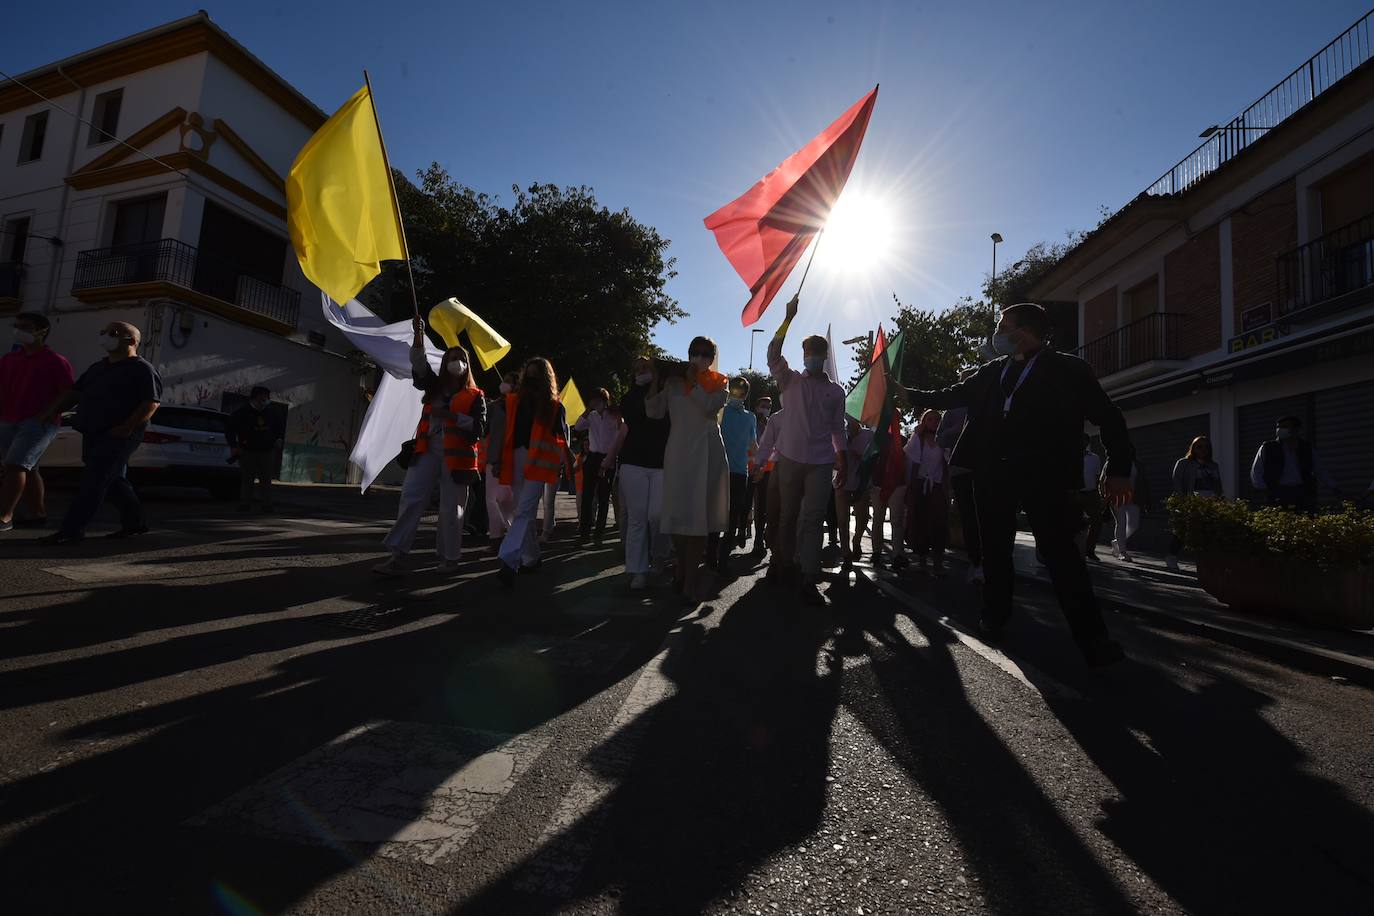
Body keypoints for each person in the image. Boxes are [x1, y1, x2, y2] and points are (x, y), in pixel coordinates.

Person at [901, 302, 1133, 667]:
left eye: (1003, 326)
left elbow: (1109, 417)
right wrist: (904, 394)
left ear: (1023, 331)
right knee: (994, 552)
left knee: (1062, 557)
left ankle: (1094, 639)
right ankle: (994, 619)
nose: (998, 333)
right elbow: (951, 395)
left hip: (1047, 476)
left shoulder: (1068, 370)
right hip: (993, 474)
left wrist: (1119, 467)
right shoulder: (992, 372)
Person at [374, 319, 486, 575]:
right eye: (452, 358)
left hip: (457, 460)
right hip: (427, 452)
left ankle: (450, 559)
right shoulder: (434, 385)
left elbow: (479, 428)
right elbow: (419, 364)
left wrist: (453, 417)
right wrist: (419, 336)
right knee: (411, 498)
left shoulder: (476, 395)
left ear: (467, 366)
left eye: (461, 359)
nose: (456, 362)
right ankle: (397, 556)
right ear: (445, 363)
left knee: (452, 508)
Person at [38, 321, 162, 544]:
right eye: (103, 331)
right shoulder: (98, 367)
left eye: (113, 333)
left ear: (132, 341)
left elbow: (151, 403)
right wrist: (52, 411)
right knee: (113, 479)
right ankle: (135, 522)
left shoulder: (142, 369)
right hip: (92, 431)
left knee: (93, 481)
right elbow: (75, 393)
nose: (105, 336)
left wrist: (127, 427)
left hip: (119, 435)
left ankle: (71, 530)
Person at [768, 294, 848, 606]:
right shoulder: (789, 381)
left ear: (825, 355)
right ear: (803, 354)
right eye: (809, 351)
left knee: (812, 518)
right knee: (787, 516)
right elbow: (773, 353)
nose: (814, 355)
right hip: (789, 459)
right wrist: (787, 319)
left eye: (819, 352)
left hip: (819, 463)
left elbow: (837, 428)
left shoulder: (835, 391)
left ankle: (808, 577)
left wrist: (843, 459)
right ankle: (780, 562)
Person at [648, 337, 730, 599]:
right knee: (674, 516)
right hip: (678, 453)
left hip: (707, 454)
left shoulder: (720, 383)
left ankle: (689, 583)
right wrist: (654, 379)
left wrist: (693, 380)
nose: (699, 357)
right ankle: (682, 567)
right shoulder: (673, 382)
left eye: (705, 353)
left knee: (698, 519)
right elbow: (654, 412)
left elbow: (708, 406)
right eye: (694, 352)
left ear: (712, 356)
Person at [495, 357, 572, 586]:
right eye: (528, 374)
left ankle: (509, 560)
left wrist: (567, 464)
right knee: (524, 513)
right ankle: (532, 558)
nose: (531, 379)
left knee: (524, 511)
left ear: (546, 378)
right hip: (517, 459)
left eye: (537, 375)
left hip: (538, 463)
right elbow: (504, 432)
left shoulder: (555, 406)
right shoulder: (513, 402)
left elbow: (562, 439)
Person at [1, 312, 74, 532]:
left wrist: (46, 414)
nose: (18, 330)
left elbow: (69, 393)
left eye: (25, 326)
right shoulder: (9, 359)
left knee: (15, 465)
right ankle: (37, 514)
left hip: (38, 424)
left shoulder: (55, 361)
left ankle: (5, 517)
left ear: (42, 331)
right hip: (8, 420)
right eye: (16, 325)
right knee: (29, 469)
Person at [603, 355, 671, 590]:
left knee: (658, 515)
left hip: (662, 464)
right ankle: (638, 570)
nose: (642, 371)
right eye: (639, 369)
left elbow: (661, 414)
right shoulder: (630, 398)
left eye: (647, 368)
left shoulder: (668, 395)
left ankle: (660, 555)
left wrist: (657, 384)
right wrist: (611, 458)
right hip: (633, 463)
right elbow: (631, 424)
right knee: (637, 519)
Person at [938, 369, 981, 583]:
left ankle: (989, 561)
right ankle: (976, 562)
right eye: (964, 381)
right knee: (969, 517)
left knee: (985, 516)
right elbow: (940, 438)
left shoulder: (986, 402)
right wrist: (955, 429)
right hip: (961, 470)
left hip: (984, 468)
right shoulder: (951, 411)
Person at [1248, 415, 1340, 512]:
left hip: (1302, 493)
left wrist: (1334, 487)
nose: (1280, 429)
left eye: (1284, 426)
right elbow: (1256, 470)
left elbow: (1320, 470)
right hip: (1278, 492)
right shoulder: (1268, 448)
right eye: (1279, 427)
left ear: (1295, 429)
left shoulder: (1306, 448)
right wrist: (1264, 490)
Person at [715, 375, 758, 571]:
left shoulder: (750, 417)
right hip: (718, 469)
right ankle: (710, 556)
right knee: (715, 514)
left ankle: (722, 559)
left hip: (740, 472)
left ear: (746, 393)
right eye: (735, 388)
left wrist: (759, 464)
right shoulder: (719, 411)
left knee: (732, 516)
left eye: (743, 390)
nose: (739, 392)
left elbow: (753, 445)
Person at [905, 408, 951, 575]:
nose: (933, 422)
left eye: (936, 420)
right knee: (921, 523)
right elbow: (910, 458)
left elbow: (948, 462)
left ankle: (938, 562)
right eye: (930, 419)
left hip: (937, 487)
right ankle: (922, 559)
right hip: (921, 486)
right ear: (924, 422)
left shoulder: (943, 440)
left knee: (939, 524)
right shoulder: (918, 439)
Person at [1166, 435, 1223, 570]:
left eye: (1205, 447)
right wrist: (1183, 499)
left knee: (1207, 531)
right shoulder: (1184, 463)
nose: (1202, 449)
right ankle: (1171, 556)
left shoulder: (1213, 465)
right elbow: (1177, 482)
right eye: (1198, 446)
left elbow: (1218, 484)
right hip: (1191, 500)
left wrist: (1219, 498)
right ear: (1193, 448)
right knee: (1183, 529)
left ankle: (1205, 562)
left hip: (1210, 501)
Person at [575, 387, 622, 546]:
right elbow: (578, 426)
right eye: (593, 400)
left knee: (603, 497)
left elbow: (620, 433)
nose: (595, 403)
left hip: (608, 457)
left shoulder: (613, 416)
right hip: (593, 457)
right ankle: (584, 533)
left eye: (598, 400)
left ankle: (599, 535)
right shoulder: (592, 416)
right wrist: (588, 409)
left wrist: (611, 458)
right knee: (587, 497)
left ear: (604, 400)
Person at [226, 385, 285, 513]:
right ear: (254, 398)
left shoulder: (271, 413)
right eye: (261, 398)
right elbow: (230, 430)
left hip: (267, 450)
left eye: (266, 398)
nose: (264, 401)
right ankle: (245, 503)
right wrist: (234, 446)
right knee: (248, 478)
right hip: (247, 450)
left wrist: (279, 439)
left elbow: (279, 428)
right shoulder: (242, 413)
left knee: (266, 479)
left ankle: (267, 504)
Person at [484, 372, 518, 542]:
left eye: (509, 382)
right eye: (503, 380)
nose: (504, 384)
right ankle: (496, 537)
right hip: (492, 458)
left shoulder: (520, 408)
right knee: (491, 500)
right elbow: (485, 430)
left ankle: (513, 535)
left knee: (508, 501)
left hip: (512, 460)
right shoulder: (494, 407)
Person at [835, 417, 873, 567]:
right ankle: (846, 553)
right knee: (842, 520)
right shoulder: (839, 435)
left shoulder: (868, 435)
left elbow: (875, 456)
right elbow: (831, 455)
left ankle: (856, 540)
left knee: (862, 518)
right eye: (847, 420)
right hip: (841, 482)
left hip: (861, 483)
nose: (850, 423)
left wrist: (862, 457)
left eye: (853, 420)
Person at [749, 395, 774, 554]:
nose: (765, 409)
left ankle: (759, 539)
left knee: (761, 506)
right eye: (763, 405)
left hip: (767, 470)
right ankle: (741, 530)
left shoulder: (773, 423)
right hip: (749, 469)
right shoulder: (750, 421)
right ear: (757, 407)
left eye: (768, 406)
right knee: (745, 504)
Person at [1077, 435, 1107, 562]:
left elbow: (1097, 477)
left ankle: (1090, 550)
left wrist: (1100, 494)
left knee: (1097, 521)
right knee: (1074, 522)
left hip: (1091, 493)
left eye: (1085, 441)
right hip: (1076, 493)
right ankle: (1074, 549)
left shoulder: (1094, 458)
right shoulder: (1069, 456)